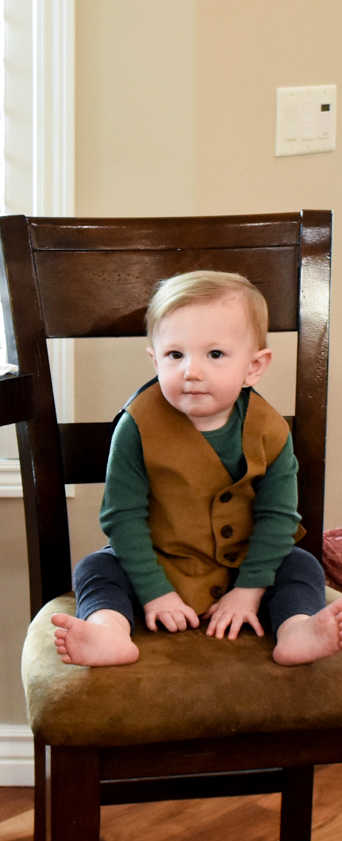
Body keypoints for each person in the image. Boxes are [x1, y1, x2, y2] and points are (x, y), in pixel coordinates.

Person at [53, 270, 342, 667]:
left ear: (254, 368)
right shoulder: (136, 427)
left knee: (301, 564)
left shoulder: (269, 430)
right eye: (176, 355)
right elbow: (123, 518)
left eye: (215, 354)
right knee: (95, 567)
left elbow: (278, 518)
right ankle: (109, 629)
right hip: (159, 565)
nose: (192, 370)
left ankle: (296, 630)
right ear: (155, 359)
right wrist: (155, 592)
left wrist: (249, 591)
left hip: (246, 567)